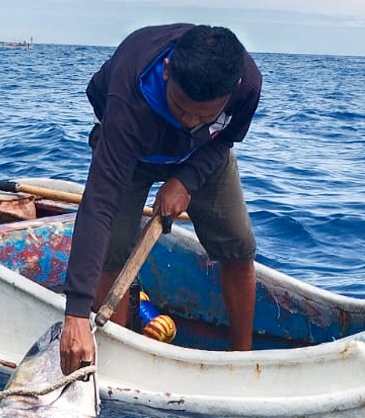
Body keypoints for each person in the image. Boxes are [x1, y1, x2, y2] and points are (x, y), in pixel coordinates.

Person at [59, 23, 262, 375]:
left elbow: (224, 139)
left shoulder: (248, 86)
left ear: (231, 94)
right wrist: (75, 314)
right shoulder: (128, 99)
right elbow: (98, 205)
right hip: (131, 149)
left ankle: (242, 360)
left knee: (239, 246)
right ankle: (118, 359)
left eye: (204, 116)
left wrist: (185, 178)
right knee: (112, 251)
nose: (189, 122)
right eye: (182, 110)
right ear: (167, 72)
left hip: (202, 154)